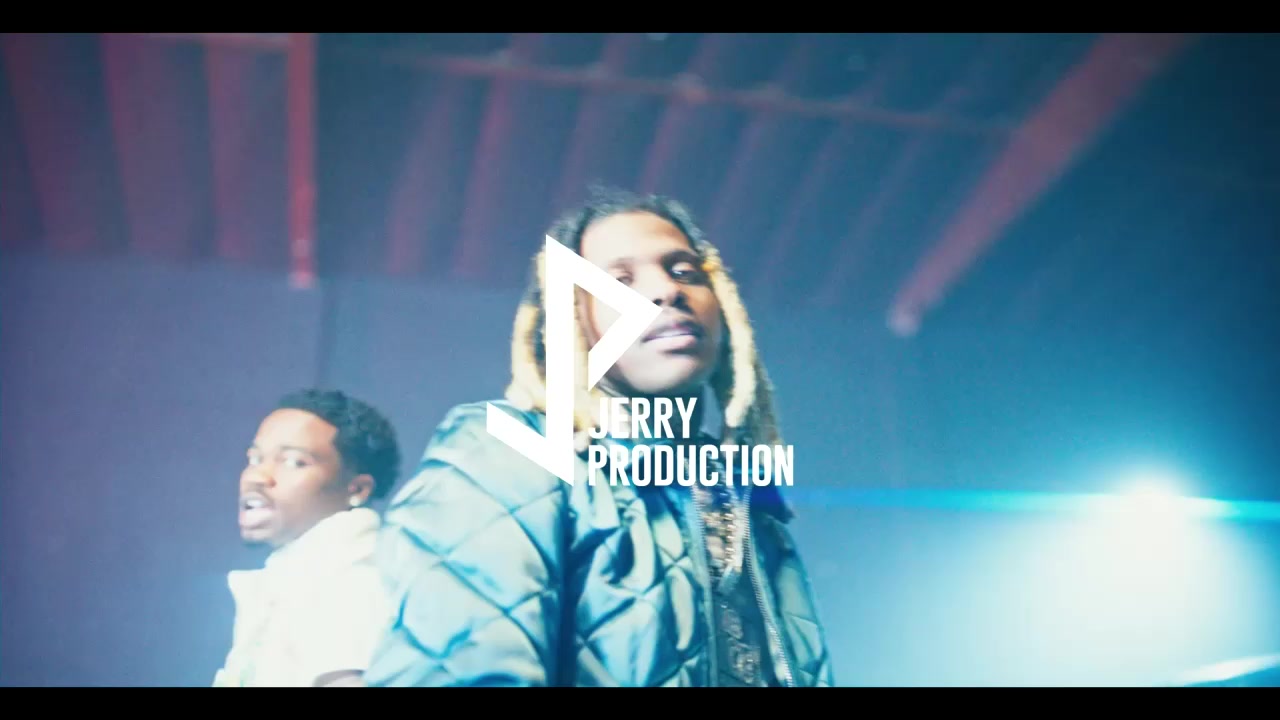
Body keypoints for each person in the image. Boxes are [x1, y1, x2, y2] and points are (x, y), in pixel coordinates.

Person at [365, 187, 833, 687]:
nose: (665, 292)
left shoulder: (744, 499)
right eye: (619, 282)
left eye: (684, 272)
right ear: (573, 322)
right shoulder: (507, 447)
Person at [213, 388, 402, 687]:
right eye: (255, 458)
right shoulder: (303, 577)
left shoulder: (349, 583)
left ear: (356, 489)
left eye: (294, 462)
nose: (256, 477)